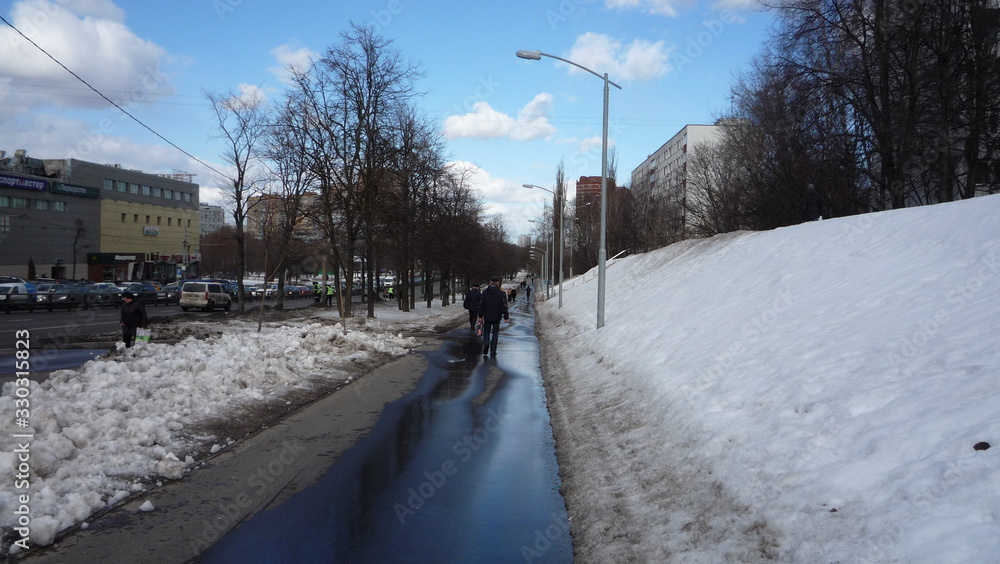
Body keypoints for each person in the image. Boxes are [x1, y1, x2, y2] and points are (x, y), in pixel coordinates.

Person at [478, 275, 510, 357]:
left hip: (487, 315)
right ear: (498, 283)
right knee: (495, 333)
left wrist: (480, 316)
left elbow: (481, 305)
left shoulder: (485, 292)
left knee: (486, 331)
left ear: (490, 282)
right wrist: (506, 317)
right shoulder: (501, 293)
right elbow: (504, 306)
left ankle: (486, 344)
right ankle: (493, 350)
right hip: (497, 316)